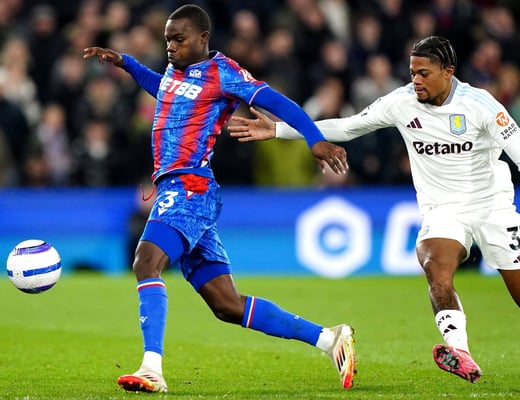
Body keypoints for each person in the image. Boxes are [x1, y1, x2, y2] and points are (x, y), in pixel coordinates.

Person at [229, 35, 520, 383]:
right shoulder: (401, 102)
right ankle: (459, 351)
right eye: (413, 72)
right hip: (442, 210)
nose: (416, 80)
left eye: (424, 73)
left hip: (492, 207)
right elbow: (348, 126)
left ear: (448, 72)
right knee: (435, 268)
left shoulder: (480, 104)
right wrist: (279, 130)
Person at [83, 4, 355, 393]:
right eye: (167, 40)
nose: (170, 47)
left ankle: (151, 368)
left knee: (146, 262)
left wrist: (314, 139)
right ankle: (329, 339)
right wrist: (126, 63)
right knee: (227, 305)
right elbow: (162, 89)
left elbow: (277, 102)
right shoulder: (174, 72)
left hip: (190, 187)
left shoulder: (224, 72)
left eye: (179, 39)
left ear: (203, 38)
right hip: (181, 190)